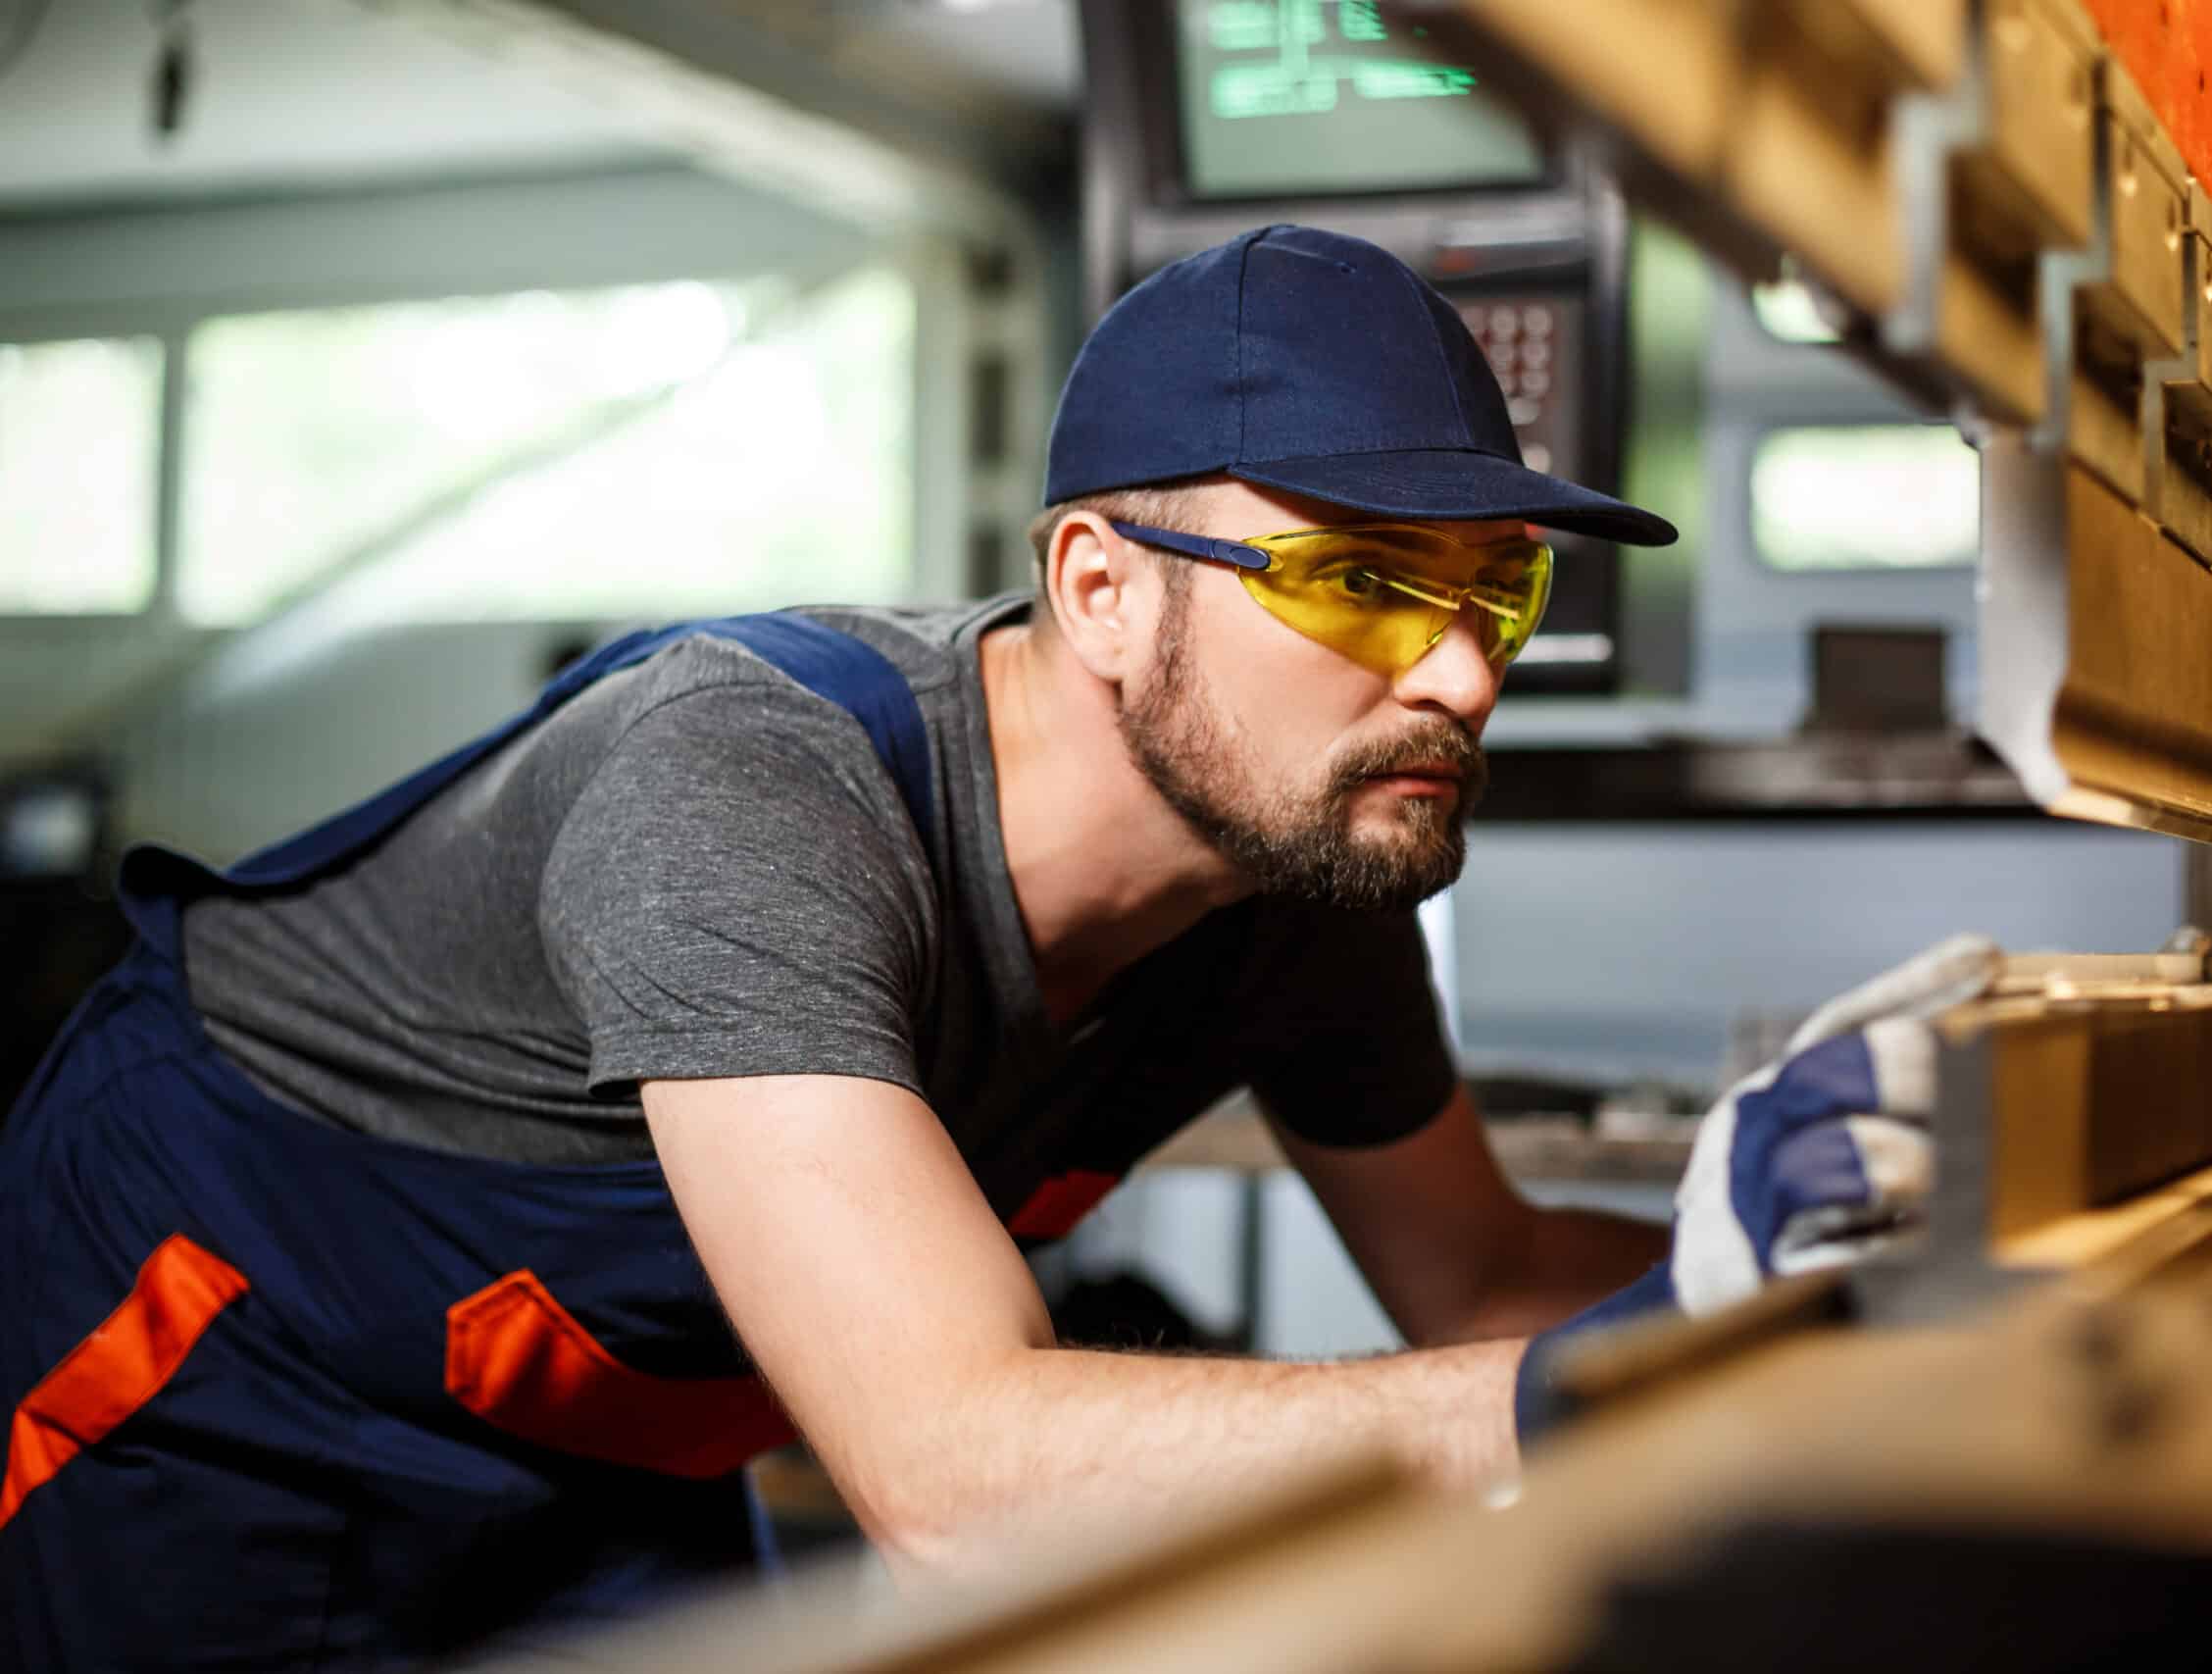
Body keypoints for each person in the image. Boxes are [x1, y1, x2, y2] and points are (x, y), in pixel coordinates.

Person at [0, 224, 1926, 1670]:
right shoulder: (746, 782)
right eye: (1361, 584)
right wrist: (1629, 1371)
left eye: (1494, 590)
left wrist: (1845, 1280)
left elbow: (1483, 1270)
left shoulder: (1299, 879)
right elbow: (952, 1460)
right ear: (1095, 587)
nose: (1459, 669)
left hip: (625, 1412)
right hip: (221, 1354)